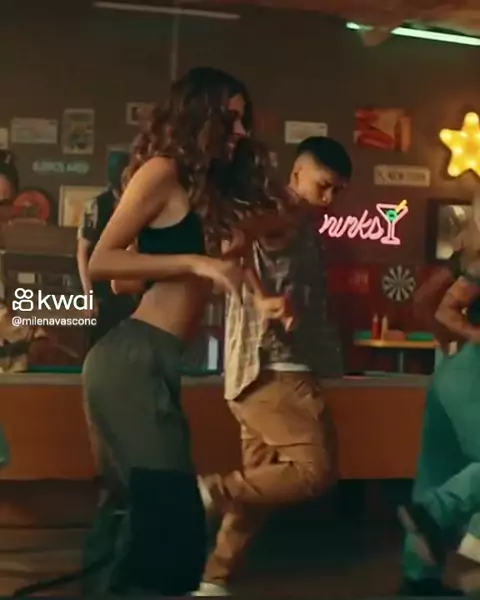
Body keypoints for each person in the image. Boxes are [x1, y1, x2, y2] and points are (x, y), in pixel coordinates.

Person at [80, 66, 291, 597]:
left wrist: (258, 296)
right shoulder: (160, 172)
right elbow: (102, 263)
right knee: (169, 516)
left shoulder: (200, 189)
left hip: (154, 359)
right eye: (231, 118)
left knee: (135, 508)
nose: (240, 130)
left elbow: (139, 278)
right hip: (131, 358)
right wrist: (197, 263)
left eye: (243, 120)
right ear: (201, 115)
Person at [194, 136, 352, 596]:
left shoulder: (296, 218)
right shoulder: (281, 210)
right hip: (277, 369)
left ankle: (214, 578)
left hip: (258, 371)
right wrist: (262, 297)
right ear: (297, 174)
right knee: (316, 471)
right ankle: (209, 491)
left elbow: (238, 246)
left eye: (337, 190)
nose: (329, 198)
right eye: (323, 185)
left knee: (260, 488)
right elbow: (232, 242)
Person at [399, 200, 480, 596]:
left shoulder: (468, 252)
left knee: (437, 469)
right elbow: (448, 309)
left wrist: (449, 344)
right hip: (475, 372)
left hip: (452, 369)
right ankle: (435, 518)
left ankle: (420, 577)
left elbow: (424, 301)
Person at [77, 151, 137, 348]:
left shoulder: (137, 203)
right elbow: (82, 252)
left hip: (129, 285)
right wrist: (88, 295)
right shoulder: (97, 205)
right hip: (101, 286)